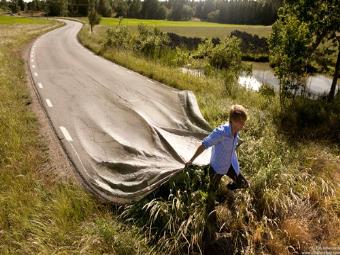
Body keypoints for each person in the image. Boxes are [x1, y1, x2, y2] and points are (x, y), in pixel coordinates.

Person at [185, 104, 249, 242]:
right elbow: (204, 144)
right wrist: (191, 160)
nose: (243, 125)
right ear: (232, 121)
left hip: (230, 165)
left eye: (244, 122)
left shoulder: (236, 131)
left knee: (244, 184)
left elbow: (233, 143)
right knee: (211, 198)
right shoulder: (221, 132)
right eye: (241, 122)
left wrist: (237, 142)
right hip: (217, 168)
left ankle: (227, 189)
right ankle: (208, 230)